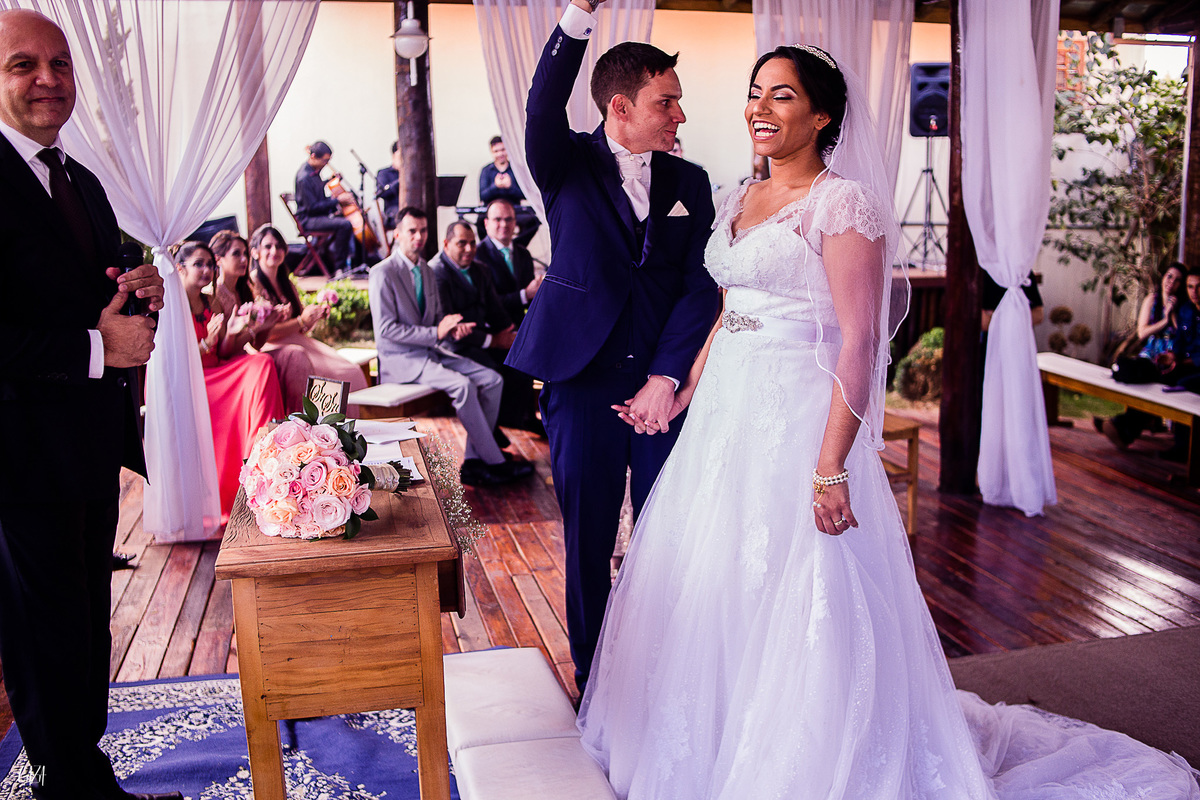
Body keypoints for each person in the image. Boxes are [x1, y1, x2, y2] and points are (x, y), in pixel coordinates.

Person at [577, 43, 1199, 799]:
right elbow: (726, 313)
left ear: (822, 114)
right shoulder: (740, 196)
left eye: (781, 96)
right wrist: (680, 390)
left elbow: (861, 340)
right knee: (714, 579)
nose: (759, 109)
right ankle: (710, 741)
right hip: (723, 418)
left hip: (801, 419)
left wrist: (833, 464)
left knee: (797, 586)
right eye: (754, 93)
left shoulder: (845, 204)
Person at [510, 0, 721, 694]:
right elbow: (543, 103)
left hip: (664, 392)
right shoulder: (564, 163)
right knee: (589, 540)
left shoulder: (690, 183)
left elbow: (697, 286)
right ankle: (595, 680)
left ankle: (668, 678)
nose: (679, 117)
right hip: (581, 382)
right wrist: (578, 16)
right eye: (668, 103)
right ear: (621, 108)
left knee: (668, 537)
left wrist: (668, 377)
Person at [0, 10, 177, 800]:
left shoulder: (81, 179)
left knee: (86, 625)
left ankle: (85, 778)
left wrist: (144, 290)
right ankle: (57, 786)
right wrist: (99, 347)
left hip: (88, 447)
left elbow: (106, 291)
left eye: (59, 63)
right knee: (42, 639)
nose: (46, 79)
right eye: (21, 65)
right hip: (19, 454)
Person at [370, 207, 534, 487]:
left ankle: (473, 461)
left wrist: (452, 328)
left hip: (432, 352)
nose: (419, 236)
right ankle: (495, 462)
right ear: (397, 234)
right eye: (412, 231)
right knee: (464, 386)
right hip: (402, 360)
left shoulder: (425, 269)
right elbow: (386, 331)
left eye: (423, 230)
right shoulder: (382, 273)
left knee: (493, 380)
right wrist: (437, 331)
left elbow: (437, 321)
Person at [177, 241, 284, 519]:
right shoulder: (172, 306)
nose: (206, 270)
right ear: (179, 268)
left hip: (218, 368)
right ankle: (258, 465)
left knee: (261, 363)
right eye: (198, 264)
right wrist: (205, 343)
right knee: (260, 364)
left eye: (209, 264)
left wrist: (235, 331)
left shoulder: (210, 301)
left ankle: (265, 456)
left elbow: (224, 351)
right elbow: (173, 359)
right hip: (194, 377)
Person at [248, 224, 367, 414]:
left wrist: (314, 317)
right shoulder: (253, 283)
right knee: (336, 376)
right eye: (268, 246)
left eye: (279, 246)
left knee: (351, 370)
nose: (275, 251)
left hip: (299, 341)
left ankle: (349, 432)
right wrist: (301, 322)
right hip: (274, 346)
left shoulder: (286, 282)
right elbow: (265, 332)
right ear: (255, 252)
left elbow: (301, 326)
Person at [1100, 261, 1187, 449]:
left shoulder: (1185, 307)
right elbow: (1142, 333)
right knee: (1137, 372)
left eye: (1178, 280)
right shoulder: (1152, 300)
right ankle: (1128, 425)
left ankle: (1122, 427)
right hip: (1149, 354)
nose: (1171, 282)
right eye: (1169, 276)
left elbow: (1183, 335)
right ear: (1163, 277)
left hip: (1168, 360)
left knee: (1147, 378)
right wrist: (1164, 321)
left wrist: (1172, 314)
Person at [476, 198, 545, 431]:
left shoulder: (523, 254)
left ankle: (529, 416)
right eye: (497, 219)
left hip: (521, 326)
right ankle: (507, 423)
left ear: (515, 223)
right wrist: (525, 294)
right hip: (493, 328)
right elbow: (488, 300)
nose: (503, 225)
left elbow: (531, 295)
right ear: (486, 224)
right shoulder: (477, 255)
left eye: (508, 219)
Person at [209, 229, 286, 355]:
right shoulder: (214, 296)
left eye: (245, 253)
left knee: (292, 353)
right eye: (236, 254)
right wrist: (257, 328)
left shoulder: (244, 290)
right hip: (227, 361)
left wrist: (270, 323)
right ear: (218, 259)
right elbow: (223, 353)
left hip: (246, 354)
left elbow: (256, 345)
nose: (244, 259)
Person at [294, 140, 354, 272]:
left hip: (316, 216)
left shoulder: (313, 173)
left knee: (344, 219)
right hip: (308, 220)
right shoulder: (304, 178)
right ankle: (340, 268)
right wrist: (337, 201)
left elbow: (318, 197)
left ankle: (345, 263)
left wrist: (329, 181)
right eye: (324, 161)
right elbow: (312, 207)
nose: (326, 164)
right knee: (344, 225)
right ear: (313, 157)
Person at [478, 135, 541, 246]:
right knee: (480, 222)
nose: (500, 153)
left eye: (503, 149)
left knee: (534, 221)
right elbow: (483, 195)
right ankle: (492, 249)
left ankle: (515, 248)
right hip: (492, 211)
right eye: (496, 151)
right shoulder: (486, 170)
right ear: (492, 152)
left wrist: (510, 187)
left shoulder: (517, 169)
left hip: (514, 210)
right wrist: (496, 186)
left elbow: (525, 194)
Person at [375, 140, 401, 230]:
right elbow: (382, 193)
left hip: (411, 207)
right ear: (394, 156)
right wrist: (401, 180)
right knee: (405, 216)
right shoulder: (383, 173)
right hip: (392, 211)